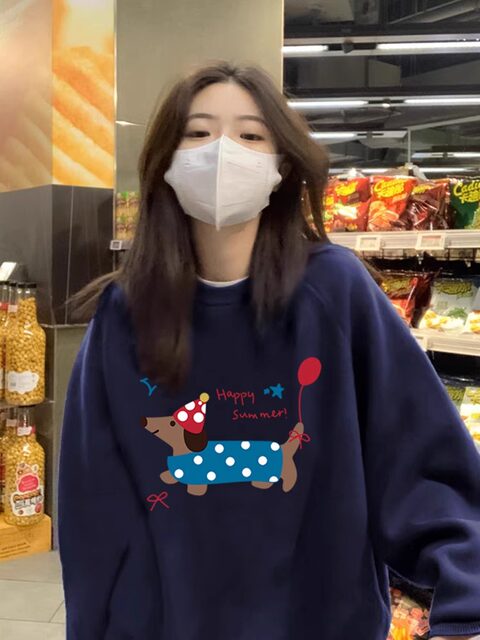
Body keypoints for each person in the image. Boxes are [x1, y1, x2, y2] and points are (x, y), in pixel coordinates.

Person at [58, 63, 480, 640]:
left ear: (282, 165)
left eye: (251, 135)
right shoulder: (124, 315)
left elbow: (421, 461)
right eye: (198, 132)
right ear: (166, 162)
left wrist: (465, 606)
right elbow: (92, 507)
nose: (223, 152)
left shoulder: (335, 293)